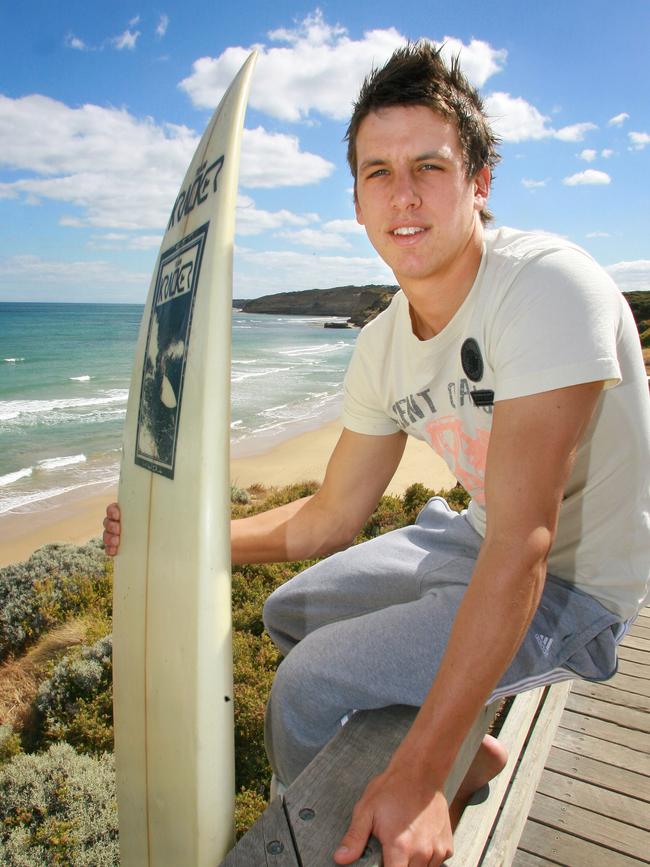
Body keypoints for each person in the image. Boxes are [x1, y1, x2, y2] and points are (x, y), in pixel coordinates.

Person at [104, 42, 650, 867]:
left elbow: (527, 542)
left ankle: (322, 839)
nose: (403, 195)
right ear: (356, 199)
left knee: (306, 686)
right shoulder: (382, 343)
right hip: (473, 539)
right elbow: (327, 519)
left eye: (429, 165)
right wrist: (177, 537)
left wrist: (423, 771)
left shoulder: (544, 287)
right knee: (287, 611)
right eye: (377, 172)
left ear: (479, 182)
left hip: (574, 588)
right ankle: (474, 752)